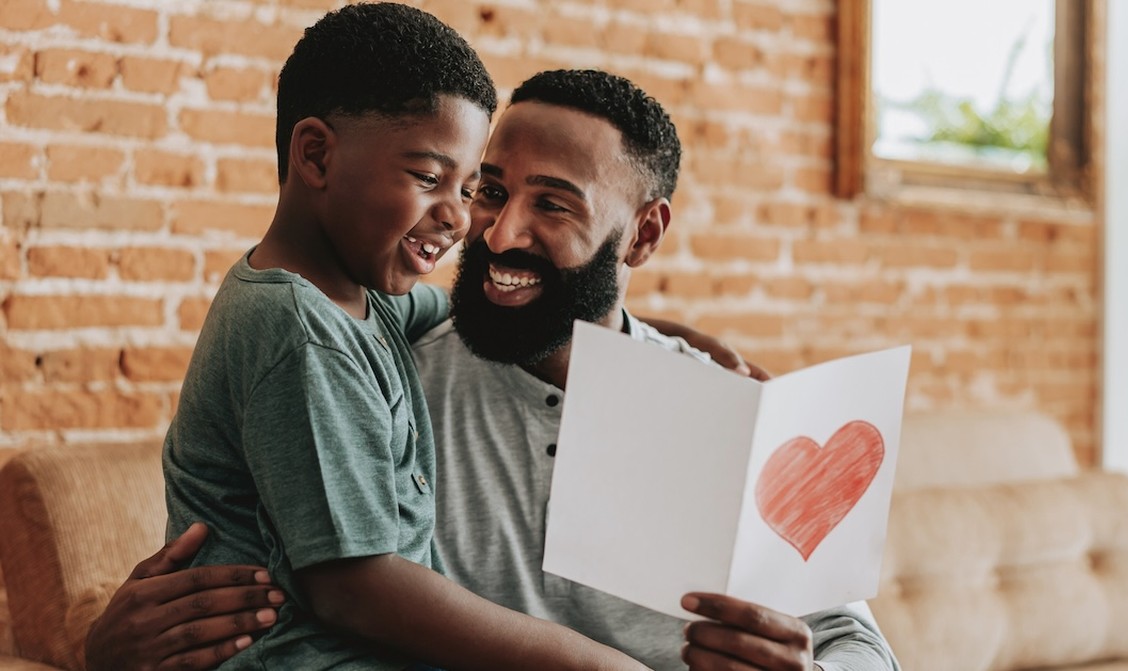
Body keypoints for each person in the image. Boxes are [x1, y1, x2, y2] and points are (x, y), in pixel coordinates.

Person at [86, 68, 901, 671]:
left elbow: (858, 640)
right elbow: (251, 580)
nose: (500, 234)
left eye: (553, 204)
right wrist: (104, 645)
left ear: (644, 235)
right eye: (490, 190)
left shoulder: (731, 412)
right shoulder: (377, 382)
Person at [158, 4, 648, 670]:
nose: (458, 217)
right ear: (316, 154)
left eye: (469, 185)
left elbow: (467, 306)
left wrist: (644, 331)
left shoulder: (363, 299)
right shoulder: (299, 332)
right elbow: (355, 588)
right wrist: (589, 661)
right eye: (428, 178)